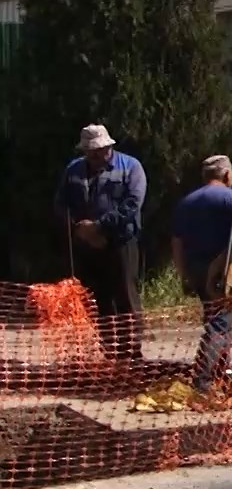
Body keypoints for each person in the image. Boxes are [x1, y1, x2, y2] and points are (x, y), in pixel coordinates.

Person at [54, 124, 147, 364]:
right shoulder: (73, 170)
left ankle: (132, 354)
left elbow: (132, 204)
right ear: (85, 151)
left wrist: (99, 227)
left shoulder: (131, 168)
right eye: (92, 151)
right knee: (98, 299)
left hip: (121, 242)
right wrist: (80, 230)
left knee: (125, 296)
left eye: (101, 149)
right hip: (86, 246)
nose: (97, 155)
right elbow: (61, 205)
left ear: (109, 146)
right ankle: (110, 352)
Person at [172, 155, 232, 391]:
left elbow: (177, 243)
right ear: (227, 175)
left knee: (217, 320)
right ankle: (203, 380)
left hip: (196, 269)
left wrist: (185, 275)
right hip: (224, 273)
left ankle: (219, 372)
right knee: (220, 324)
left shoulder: (187, 203)